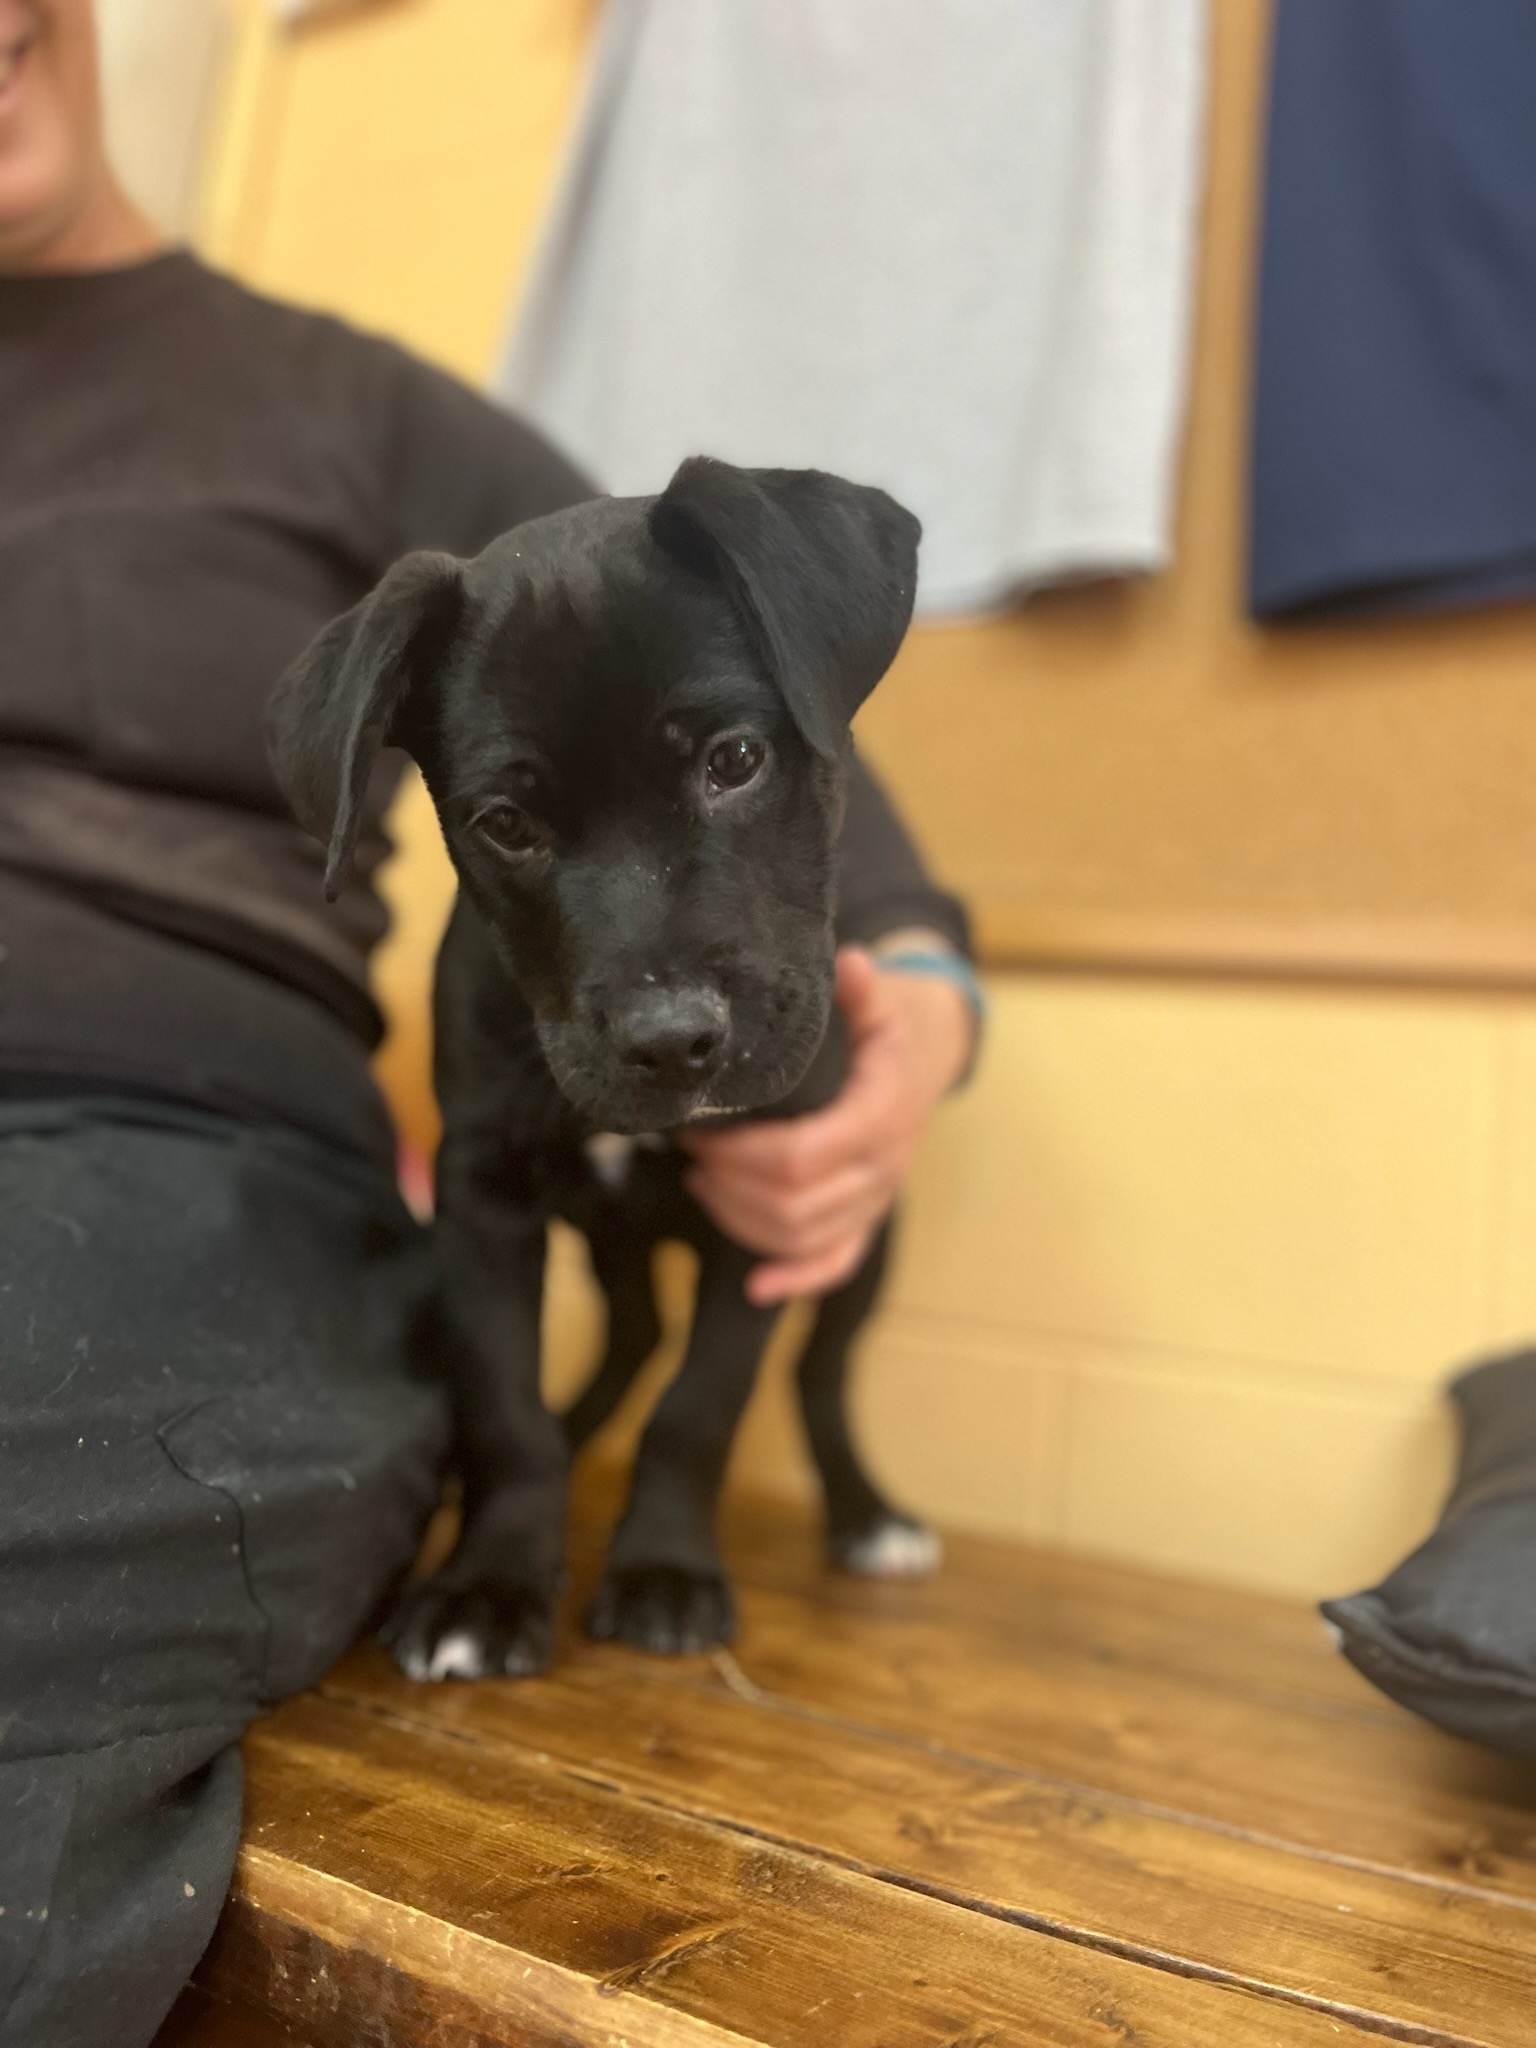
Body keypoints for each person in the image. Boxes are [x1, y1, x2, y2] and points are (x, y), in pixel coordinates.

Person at [0, 4, 978, 2043]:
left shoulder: (348, 415)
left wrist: (923, 1025)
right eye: (520, 819)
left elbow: (801, 741)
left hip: (149, 1142)